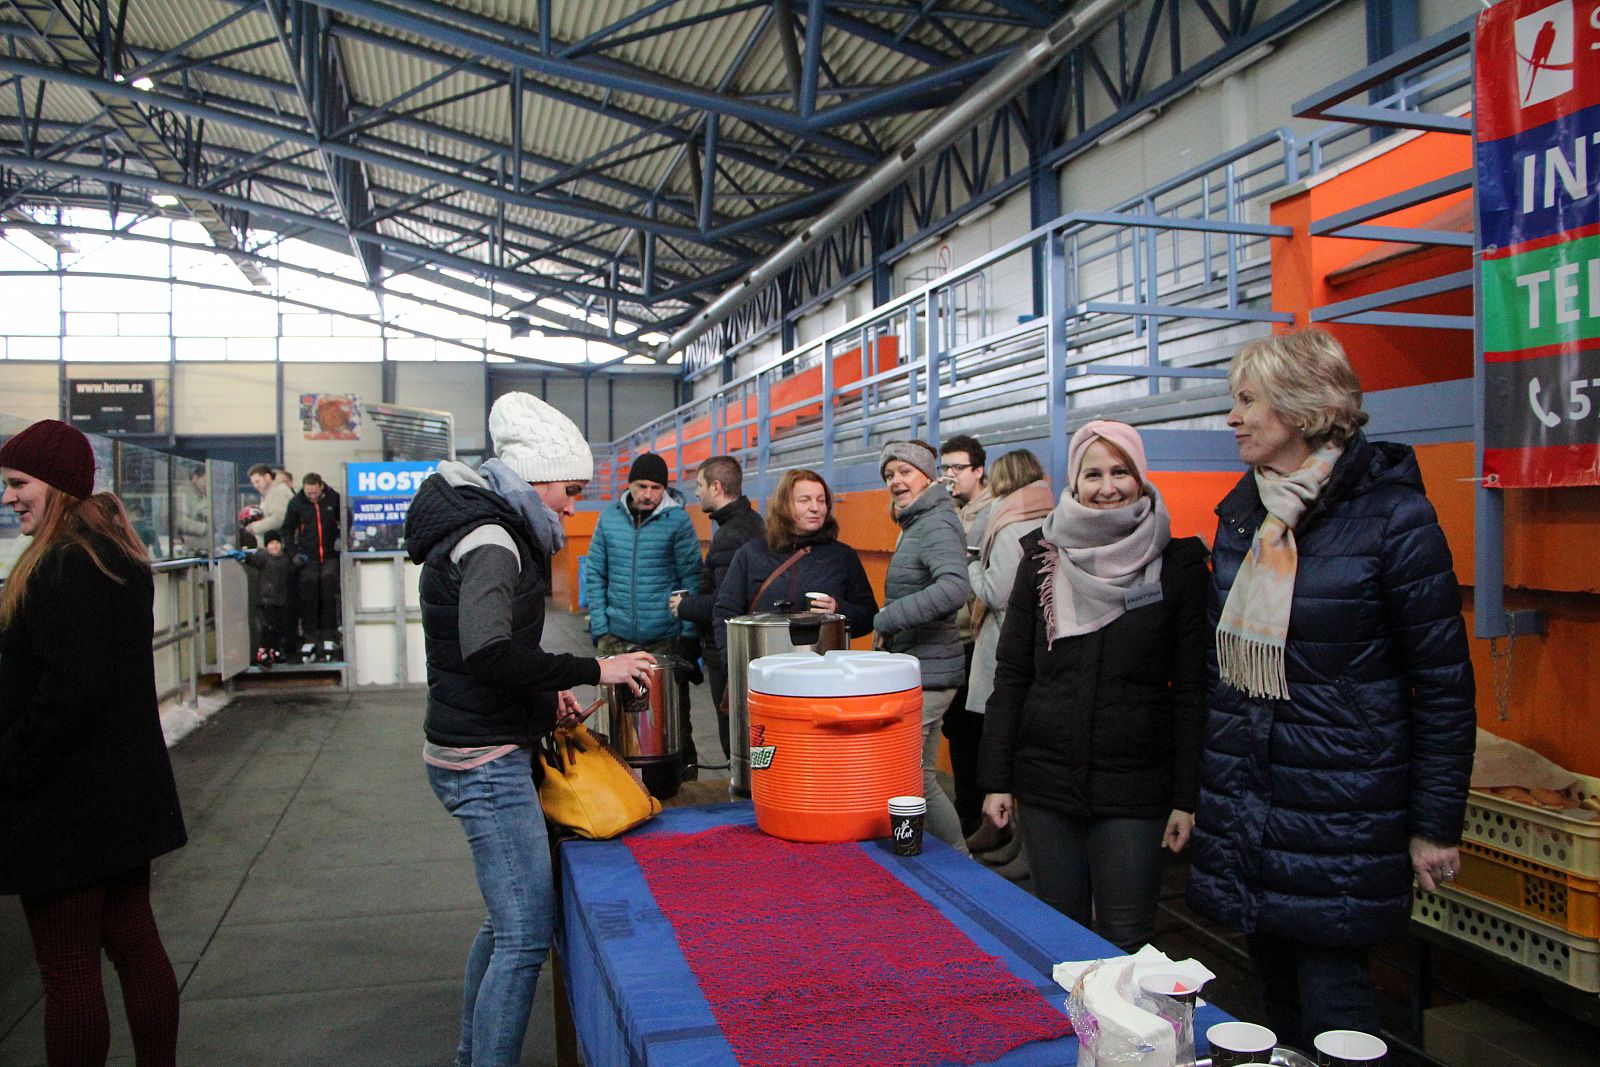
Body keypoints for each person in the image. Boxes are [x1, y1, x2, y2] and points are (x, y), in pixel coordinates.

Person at [1186, 329, 1475, 1047]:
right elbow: (1222, 674)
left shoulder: (1394, 519)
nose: (1233, 417)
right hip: (1252, 799)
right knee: (1272, 1003)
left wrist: (1435, 824)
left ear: (1302, 407)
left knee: (1335, 1005)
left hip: (1343, 805)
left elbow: (1442, 685)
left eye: (1248, 400)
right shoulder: (1244, 516)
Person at [405, 392, 656, 1067]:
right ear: (536, 478)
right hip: (483, 761)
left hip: (474, 740)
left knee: (505, 922)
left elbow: (486, 656)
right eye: (570, 491)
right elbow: (488, 653)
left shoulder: (485, 527)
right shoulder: (493, 543)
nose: (573, 507)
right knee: (523, 934)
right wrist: (593, 669)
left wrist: (545, 702)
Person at [0, 419, 187, 1067]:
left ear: (55, 484)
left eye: (18, 483)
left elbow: (62, 699)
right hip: (123, 800)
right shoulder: (117, 558)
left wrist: (7, 762)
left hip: (63, 806)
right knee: (136, 946)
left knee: (68, 973)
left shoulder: (59, 568)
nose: (9, 497)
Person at [977, 424, 1207, 949]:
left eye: (1120, 472)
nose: (1108, 488)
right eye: (1093, 474)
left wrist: (1185, 797)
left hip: (1136, 789)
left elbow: (1192, 689)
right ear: (1074, 482)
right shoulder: (1042, 558)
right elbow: (1012, 674)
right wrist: (997, 778)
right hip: (1047, 782)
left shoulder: (1178, 565)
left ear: (1140, 477)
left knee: (1126, 941)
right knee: (1061, 939)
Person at [874, 440, 972, 854]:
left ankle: (957, 858)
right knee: (920, 776)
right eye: (889, 474)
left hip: (930, 671)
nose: (896, 480)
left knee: (907, 776)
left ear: (928, 476)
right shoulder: (920, 520)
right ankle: (955, 859)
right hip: (924, 668)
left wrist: (888, 618)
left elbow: (954, 588)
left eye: (905, 471)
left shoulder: (934, 523)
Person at [584, 452, 703, 786]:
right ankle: (615, 786)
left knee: (673, 721)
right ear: (629, 485)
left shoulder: (678, 522)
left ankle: (684, 783)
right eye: (642, 486)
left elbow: (691, 579)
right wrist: (601, 628)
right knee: (611, 719)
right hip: (616, 637)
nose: (648, 494)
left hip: (664, 638)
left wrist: (688, 634)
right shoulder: (608, 519)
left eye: (656, 487)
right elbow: (595, 573)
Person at [962, 449, 1053, 862]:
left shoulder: (1009, 524)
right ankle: (1020, 846)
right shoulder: (1049, 514)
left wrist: (970, 566)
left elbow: (995, 592)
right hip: (1040, 647)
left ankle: (1016, 844)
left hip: (1005, 644)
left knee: (1005, 741)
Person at [713, 468, 879, 650]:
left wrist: (839, 609)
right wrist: (732, 660)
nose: (815, 508)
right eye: (804, 500)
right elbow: (725, 613)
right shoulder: (752, 554)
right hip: (765, 663)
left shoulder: (843, 556)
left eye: (821, 500)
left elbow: (869, 616)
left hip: (822, 664)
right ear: (784, 505)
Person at [673, 455, 764, 758]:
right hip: (746, 647)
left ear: (716, 487)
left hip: (726, 651)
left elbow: (725, 603)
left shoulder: (729, 536)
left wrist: (684, 606)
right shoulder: (752, 523)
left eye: (700, 485)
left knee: (734, 742)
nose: (697, 492)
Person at [938, 433, 994, 836]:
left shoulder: (993, 514)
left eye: (957, 468)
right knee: (957, 730)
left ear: (979, 470)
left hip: (978, 639)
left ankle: (981, 816)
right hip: (951, 637)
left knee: (976, 730)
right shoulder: (948, 511)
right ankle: (968, 811)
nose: (949, 475)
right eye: (945, 468)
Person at [285, 472, 342, 662]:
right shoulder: (296, 503)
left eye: (315, 493)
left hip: (329, 555)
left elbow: (345, 518)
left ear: (321, 487)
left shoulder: (333, 498)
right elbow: (287, 529)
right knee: (309, 593)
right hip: (308, 557)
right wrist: (293, 554)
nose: (312, 497)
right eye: (309, 493)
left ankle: (329, 635)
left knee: (328, 589)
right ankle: (310, 637)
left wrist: (341, 539)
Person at [243, 530, 293, 667]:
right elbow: (253, 560)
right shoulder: (263, 557)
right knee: (268, 627)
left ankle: (274, 650)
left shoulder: (284, 559)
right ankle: (262, 651)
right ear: (266, 545)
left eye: (277, 543)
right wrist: (244, 556)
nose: (275, 546)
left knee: (278, 626)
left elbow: (291, 568)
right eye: (271, 543)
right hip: (266, 600)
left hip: (280, 599)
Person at [244, 463, 292, 546]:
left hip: (279, 547)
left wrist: (254, 527)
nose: (255, 486)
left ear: (267, 477)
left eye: (257, 481)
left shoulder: (279, 493)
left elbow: (279, 519)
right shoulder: (270, 493)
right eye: (253, 483)